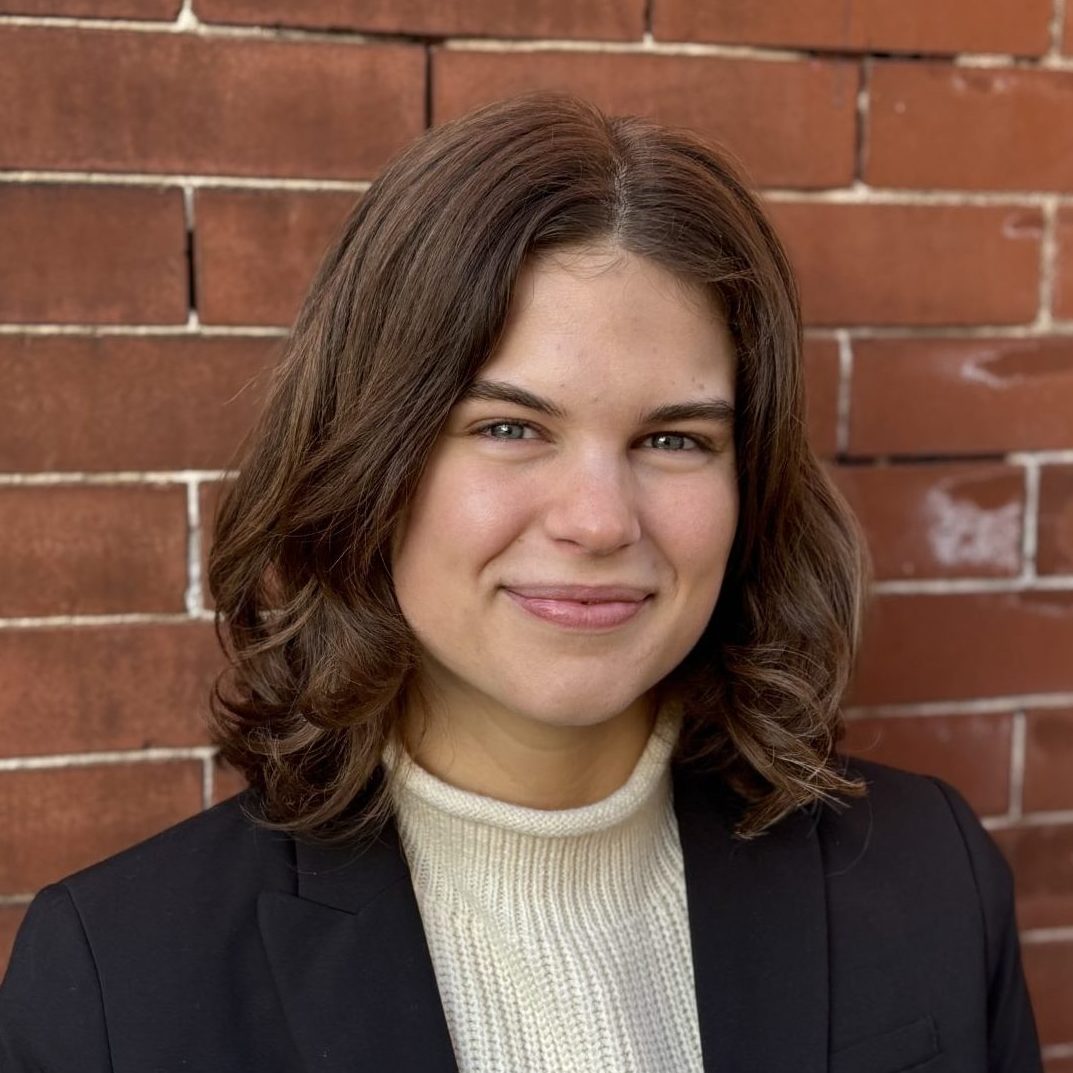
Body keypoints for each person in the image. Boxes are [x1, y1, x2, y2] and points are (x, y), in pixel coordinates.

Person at [0, 93, 1041, 1073]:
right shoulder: (120, 980)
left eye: (673, 437)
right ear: (370, 458)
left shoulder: (927, 879)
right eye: (508, 426)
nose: (596, 518)